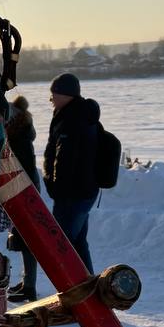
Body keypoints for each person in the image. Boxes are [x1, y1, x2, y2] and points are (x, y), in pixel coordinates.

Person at [42, 73, 101, 273]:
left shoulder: (74, 119)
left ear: (66, 95)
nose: (52, 100)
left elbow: (65, 160)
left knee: (63, 246)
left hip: (74, 194)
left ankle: (77, 291)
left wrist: (55, 187)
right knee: (77, 242)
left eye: (54, 95)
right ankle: (87, 286)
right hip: (78, 193)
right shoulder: (66, 115)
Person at [5, 95, 39, 301]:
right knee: (24, 238)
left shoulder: (17, 139)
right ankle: (27, 282)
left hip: (23, 192)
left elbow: (19, 168)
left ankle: (29, 287)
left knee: (27, 239)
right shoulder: (23, 134)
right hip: (25, 189)